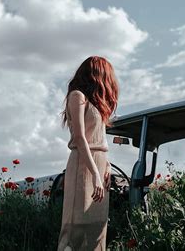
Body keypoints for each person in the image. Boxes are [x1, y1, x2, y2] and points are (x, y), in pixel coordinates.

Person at [57, 56, 119, 251]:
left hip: (99, 164)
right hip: (84, 164)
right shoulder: (77, 96)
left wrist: (106, 166)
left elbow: (101, 138)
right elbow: (80, 138)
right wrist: (94, 175)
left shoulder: (97, 103)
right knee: (77, 224)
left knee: (98, 226)